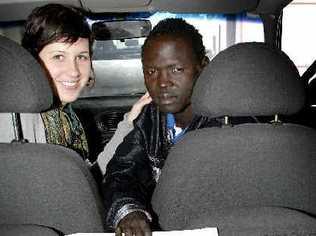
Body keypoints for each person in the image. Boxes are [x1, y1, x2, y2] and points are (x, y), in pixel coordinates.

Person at [102, 18, 217, 236]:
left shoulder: (226, 125)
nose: (163, 82)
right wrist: (129, 211)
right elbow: (121, 172)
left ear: (203, 67)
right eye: (151, 71)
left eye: (176, 69)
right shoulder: (151, 119)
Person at [0, 3, 148, 168]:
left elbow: (86, 178)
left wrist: (130, 122)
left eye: (81, 57)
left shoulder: (64, 114)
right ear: (33, 61)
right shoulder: (17, 127)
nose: (74, 72)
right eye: (58, 57)